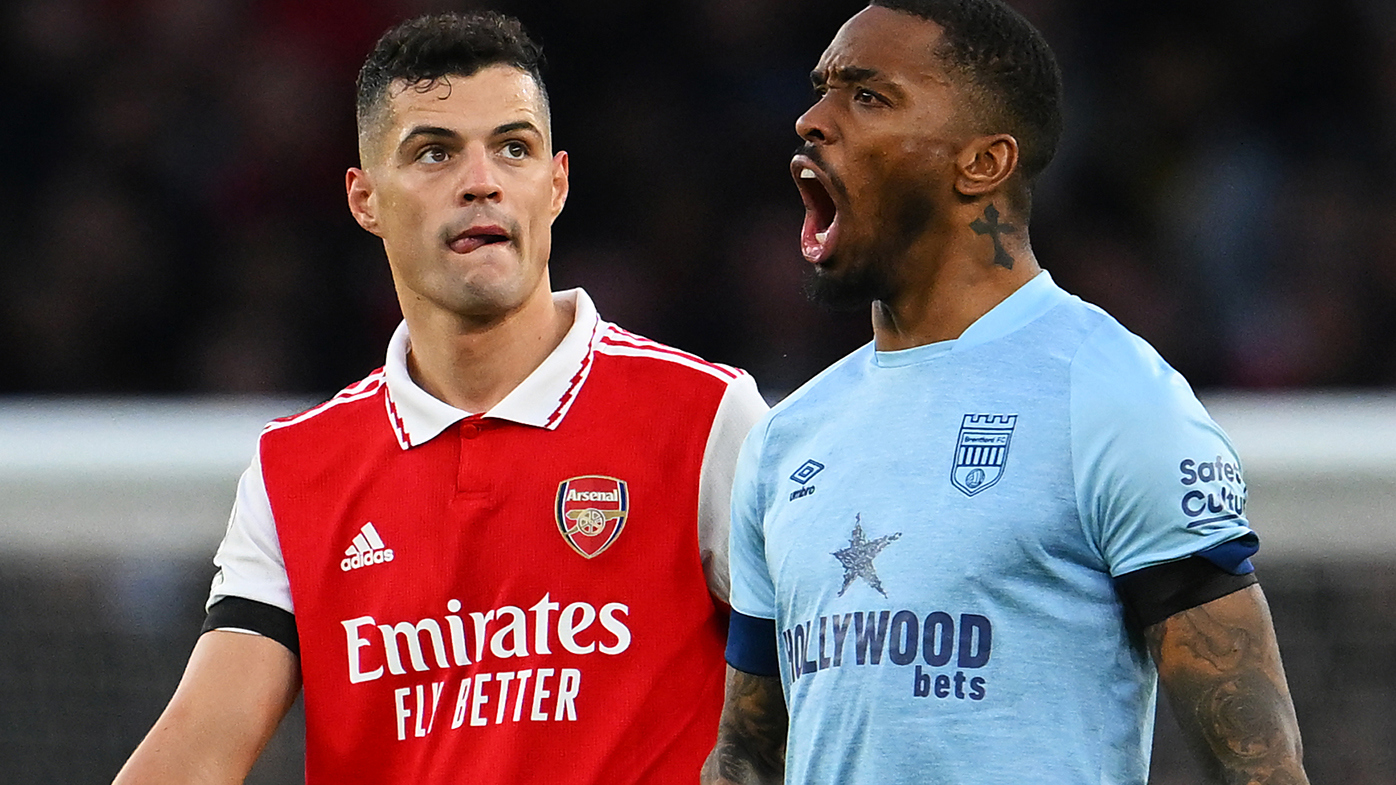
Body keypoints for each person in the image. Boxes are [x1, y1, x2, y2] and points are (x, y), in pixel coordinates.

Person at [114, 11, 766, 785]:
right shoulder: (295, 471)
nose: (482, 179)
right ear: (365, 199)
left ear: (556, 184)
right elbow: (198, 750)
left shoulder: (706, 420)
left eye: (514, 148)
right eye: (434, 152)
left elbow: (823, 701)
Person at [703, 1, 1309, 783]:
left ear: (983, 163)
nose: (812, 120)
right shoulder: (789, 437)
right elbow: (748, 755)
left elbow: (1257, 762)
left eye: (868, 96)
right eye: (821, 90)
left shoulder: (1112, 397)